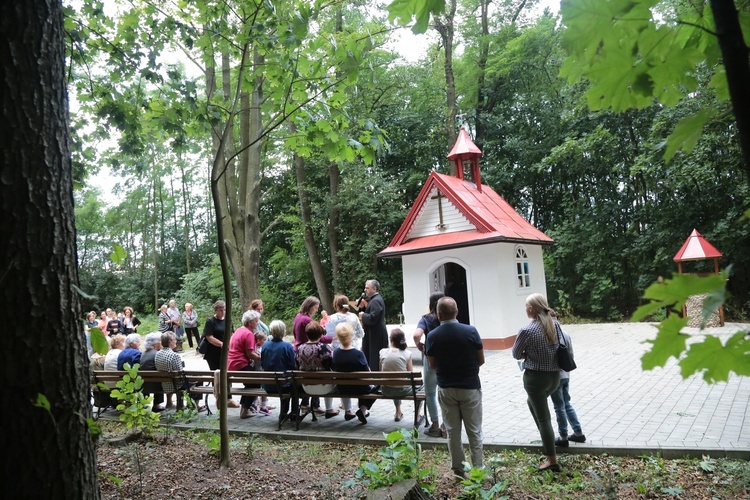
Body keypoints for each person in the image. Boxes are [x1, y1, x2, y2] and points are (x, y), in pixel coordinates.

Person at [425, 296, 484, 478]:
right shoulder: (471, 331)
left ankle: (458, 468)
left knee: (452, 431)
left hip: (446, 388)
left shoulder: (432, 336)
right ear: (456, 312)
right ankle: (478, 469)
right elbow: (480, 360)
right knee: (474, 430)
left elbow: (433, 365)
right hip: (470, 387)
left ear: (438, 314)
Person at [511, 293, 563, 473]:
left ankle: (552, 459)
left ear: (531, 309)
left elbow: (516, 354)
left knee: (544, 418)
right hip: (554, 377)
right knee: (531, 404)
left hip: (535, 379)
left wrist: (527, 354)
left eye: (526, 306)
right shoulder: (555, 324)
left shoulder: (527, 330)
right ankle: (546, 437)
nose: (525, 309)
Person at [549, 312, 586, 447]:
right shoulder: (566, 335)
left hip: (556, 376)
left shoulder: (550, 336)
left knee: (559, 407)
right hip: (566, 375)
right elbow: (570, 355)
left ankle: (563, 437)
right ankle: (578, 432)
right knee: (567, 404)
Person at [413, 291, 446, 438]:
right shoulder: (446, 317)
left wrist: (419, 345)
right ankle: (446, 426)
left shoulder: (426, 319)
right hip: (446, 359)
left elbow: (416, 335)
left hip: (430, 359)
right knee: (445, 393)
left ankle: (435, 425)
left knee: (431, 393)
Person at [332, 322, 376, 424]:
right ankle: (363, 410)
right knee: (374, 387)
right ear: (351, 336)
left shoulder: (336, 353)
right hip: (359, 388)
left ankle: (348, 411)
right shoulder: (358, 354)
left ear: (338, 337)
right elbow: (367, 373)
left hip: (342, 388)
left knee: (359, 383)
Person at [228, 309, 267, 418]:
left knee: (250, 384)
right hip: (240, 364)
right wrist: (262, 358)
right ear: (250, 322)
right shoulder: (249, 334)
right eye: (256, 321)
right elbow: (250, 354)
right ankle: (245, 410)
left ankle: (244, 409)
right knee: (255, 383)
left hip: (232, 364)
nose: (257, 323)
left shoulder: (239, 330)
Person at [380, 328, 422, 423]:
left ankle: (398, 412)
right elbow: (411, 374)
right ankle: (417, 415)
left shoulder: (383, 352)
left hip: (386, 390)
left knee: (394, 382)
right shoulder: (407, 354)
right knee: (421, 389)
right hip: (403, 391)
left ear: (390, 340)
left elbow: (380, 371)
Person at [261, 320, 299, 425]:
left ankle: (284, 413)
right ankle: (294, 412)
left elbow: (263, 363)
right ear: (283, 332)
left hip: (268, 385)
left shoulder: (265, 345)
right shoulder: (287, 346)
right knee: (294, 385)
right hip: (282, 385)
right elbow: (292, 366)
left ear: (271, 332)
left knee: (285, 383)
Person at [202, 300, 239, 408]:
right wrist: (222, 344)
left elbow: (232, 334)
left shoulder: (228, 320)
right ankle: (219, 398)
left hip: (226, 353)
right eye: (220, 310)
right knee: (217, 375)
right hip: (213, 353)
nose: (223, 312)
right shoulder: (210, 321)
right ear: (216, 310)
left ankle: (228, 398)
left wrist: (230, 344)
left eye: (224, 310)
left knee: (227, 375)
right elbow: (209, 337)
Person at [296, 321, 336, 418]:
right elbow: (333, 365)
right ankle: (330, 409)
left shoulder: (300, 348)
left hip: (306, 387)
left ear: (307, 334)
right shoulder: (325, 348)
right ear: (321, 334)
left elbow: (297, 365)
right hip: (324, 387)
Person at [358, 279, 388, 371]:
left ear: (374, 289)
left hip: (375, 335)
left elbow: (373, 318)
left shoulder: (375, 301)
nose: (365, 290)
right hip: (374, 333)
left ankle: (375, 380)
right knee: (373, 356)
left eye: (367, 288)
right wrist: (362, 308)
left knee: (375, 357)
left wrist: (363, 315)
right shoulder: (375, 299)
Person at [154, 331, 184, 409]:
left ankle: (169, 402)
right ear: (170, 342)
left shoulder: (157, 354)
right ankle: (194, 405)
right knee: (197, 381)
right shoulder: (174, 355)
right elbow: (180, 371)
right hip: (176, 384)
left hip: (165, 384)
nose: (176, 341)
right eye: (174, 340)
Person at [140, 332, 165, 411]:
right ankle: (157, 404)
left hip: (144, 385)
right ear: (156, 343)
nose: (161, 343)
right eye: (160, 341)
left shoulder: (143, 353)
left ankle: (145, 403)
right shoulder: (157, 354)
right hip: (156, 385)